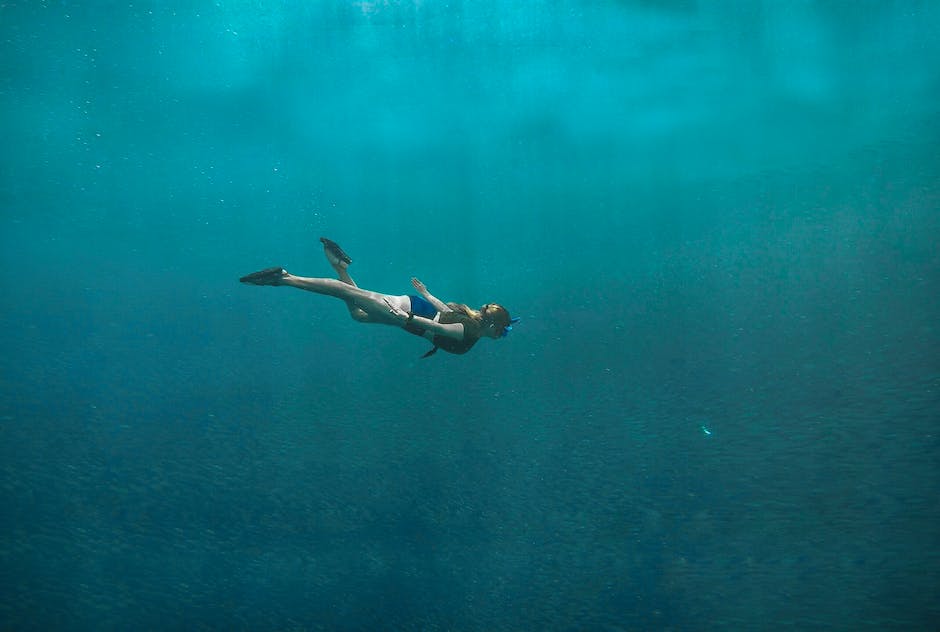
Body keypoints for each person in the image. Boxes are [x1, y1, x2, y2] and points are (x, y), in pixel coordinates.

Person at [240, 237, 518, 357]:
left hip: (413, 313)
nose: (500, 337)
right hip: (411, 314)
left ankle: (340, 266)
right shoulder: (468, 332)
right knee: (345, 292)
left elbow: (446, 312)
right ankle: (285, 277)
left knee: (358, 314)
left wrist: (425, 294)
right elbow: (439, 327)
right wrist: (407, 315)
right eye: (502, 332)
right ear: (493, 327)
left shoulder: (469, 324)